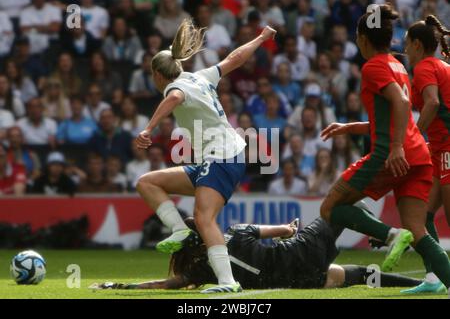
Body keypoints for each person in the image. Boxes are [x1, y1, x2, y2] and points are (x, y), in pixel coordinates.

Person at [135, 18, 276, 294]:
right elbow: (234, 59)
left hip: (222, 157)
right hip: (220, 157)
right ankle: (179, 230)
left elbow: (174, 98)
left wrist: (148, 128)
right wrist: (261, 39)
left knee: (204, 218)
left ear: (158, 74)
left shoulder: (175, 88)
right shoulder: (199, 77)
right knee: (147, 182)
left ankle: (227, 282)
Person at [319, 5, 450, 294]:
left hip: (389, 157)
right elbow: (392, 117)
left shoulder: (374, 66)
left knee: (330, 207)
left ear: (364, 39)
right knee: (420, 232)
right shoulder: (398, 66)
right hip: (419, 156)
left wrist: (394, 148)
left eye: (357, 37)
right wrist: (350, 127)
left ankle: (391, 235)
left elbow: (402, 105)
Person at [92, 205, 424, 291]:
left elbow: (163, 284)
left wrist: (121, 285)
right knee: (339, 207)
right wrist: (290, 230)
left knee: (357, 276)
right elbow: (284, 229)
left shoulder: (200, 270)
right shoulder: (236, 233)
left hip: (297, 281)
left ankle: (420, 283)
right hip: (298, 254)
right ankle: (386, 236)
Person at [400, 15, 450, 294]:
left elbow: (432, 102)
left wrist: (415, 138)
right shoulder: (442, 64)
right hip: (442, 148)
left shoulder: (424, 69)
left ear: (418, 45)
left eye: (407, 44)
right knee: (422, 216)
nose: (405, 49)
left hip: (447, 149)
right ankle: (433, 278)